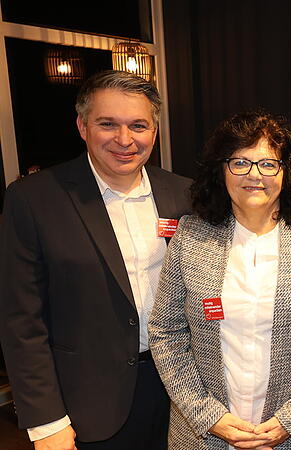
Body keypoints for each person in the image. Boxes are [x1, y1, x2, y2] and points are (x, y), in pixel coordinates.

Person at [0, 70, 192, 449]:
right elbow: (20, 320)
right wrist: (46, 421)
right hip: (87, 404)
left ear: (154, 131)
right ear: (82, 126)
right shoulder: (34, 199)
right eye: (108, 124)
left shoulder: (184, 193)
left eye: (138, 125)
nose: (125, 139)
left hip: (182, 392)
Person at [149, 110, 291, 449]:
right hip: (205, 437)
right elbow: (166, 333)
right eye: (240, 163)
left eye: (268, 164)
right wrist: (208, 416)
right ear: (221, 170)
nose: (254, 175)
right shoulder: (189, 236)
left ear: (286, 172)